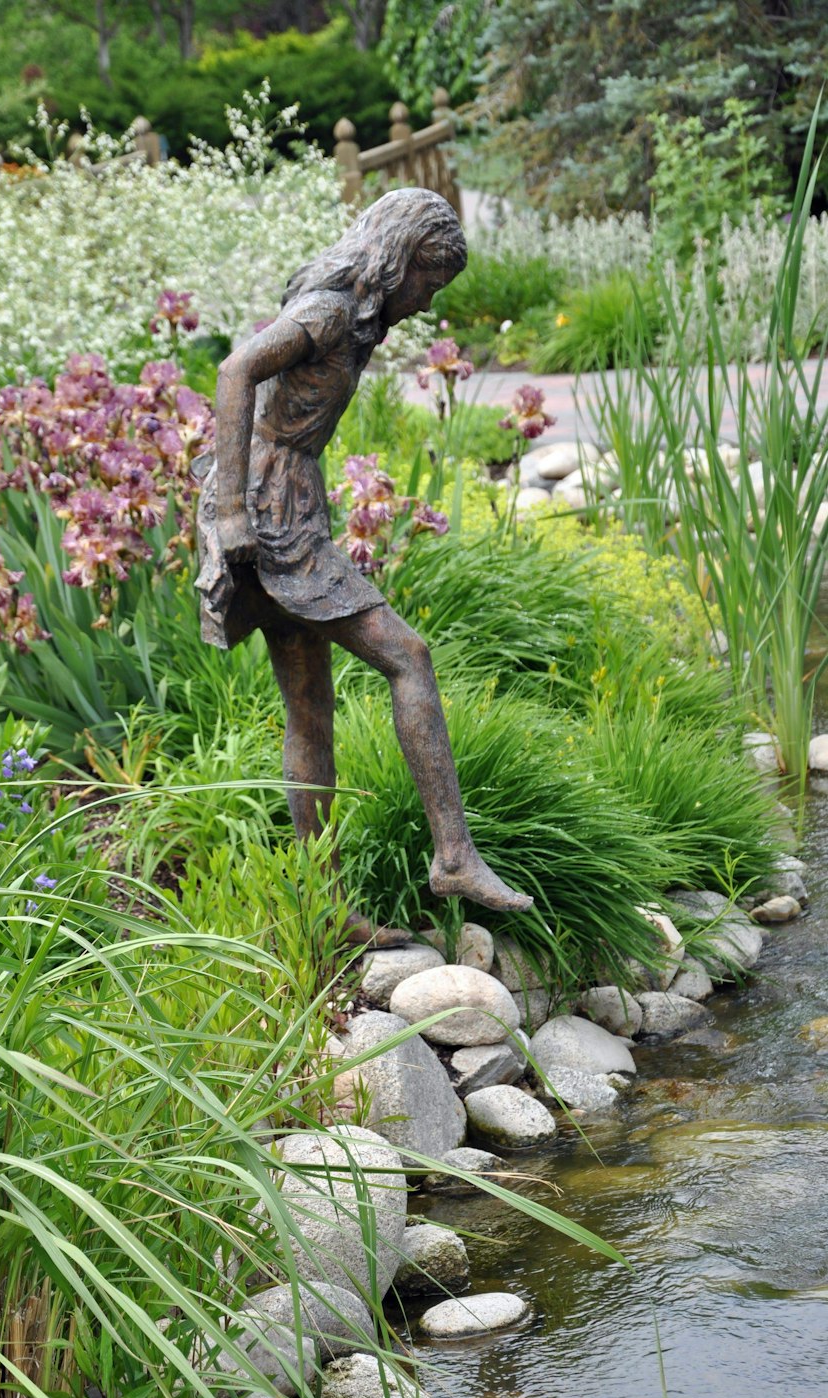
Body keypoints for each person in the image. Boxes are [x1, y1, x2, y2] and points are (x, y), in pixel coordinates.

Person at [195, 187, 533, 945]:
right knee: (408, 656)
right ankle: (453, 855)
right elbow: (234, 371)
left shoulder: (354, 313)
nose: (424, 300)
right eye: (427, 281)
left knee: (309, 704)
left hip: (285, 497)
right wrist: (231, 517)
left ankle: (327, 907)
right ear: (399, 258)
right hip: (268, 510)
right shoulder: (331, 312)